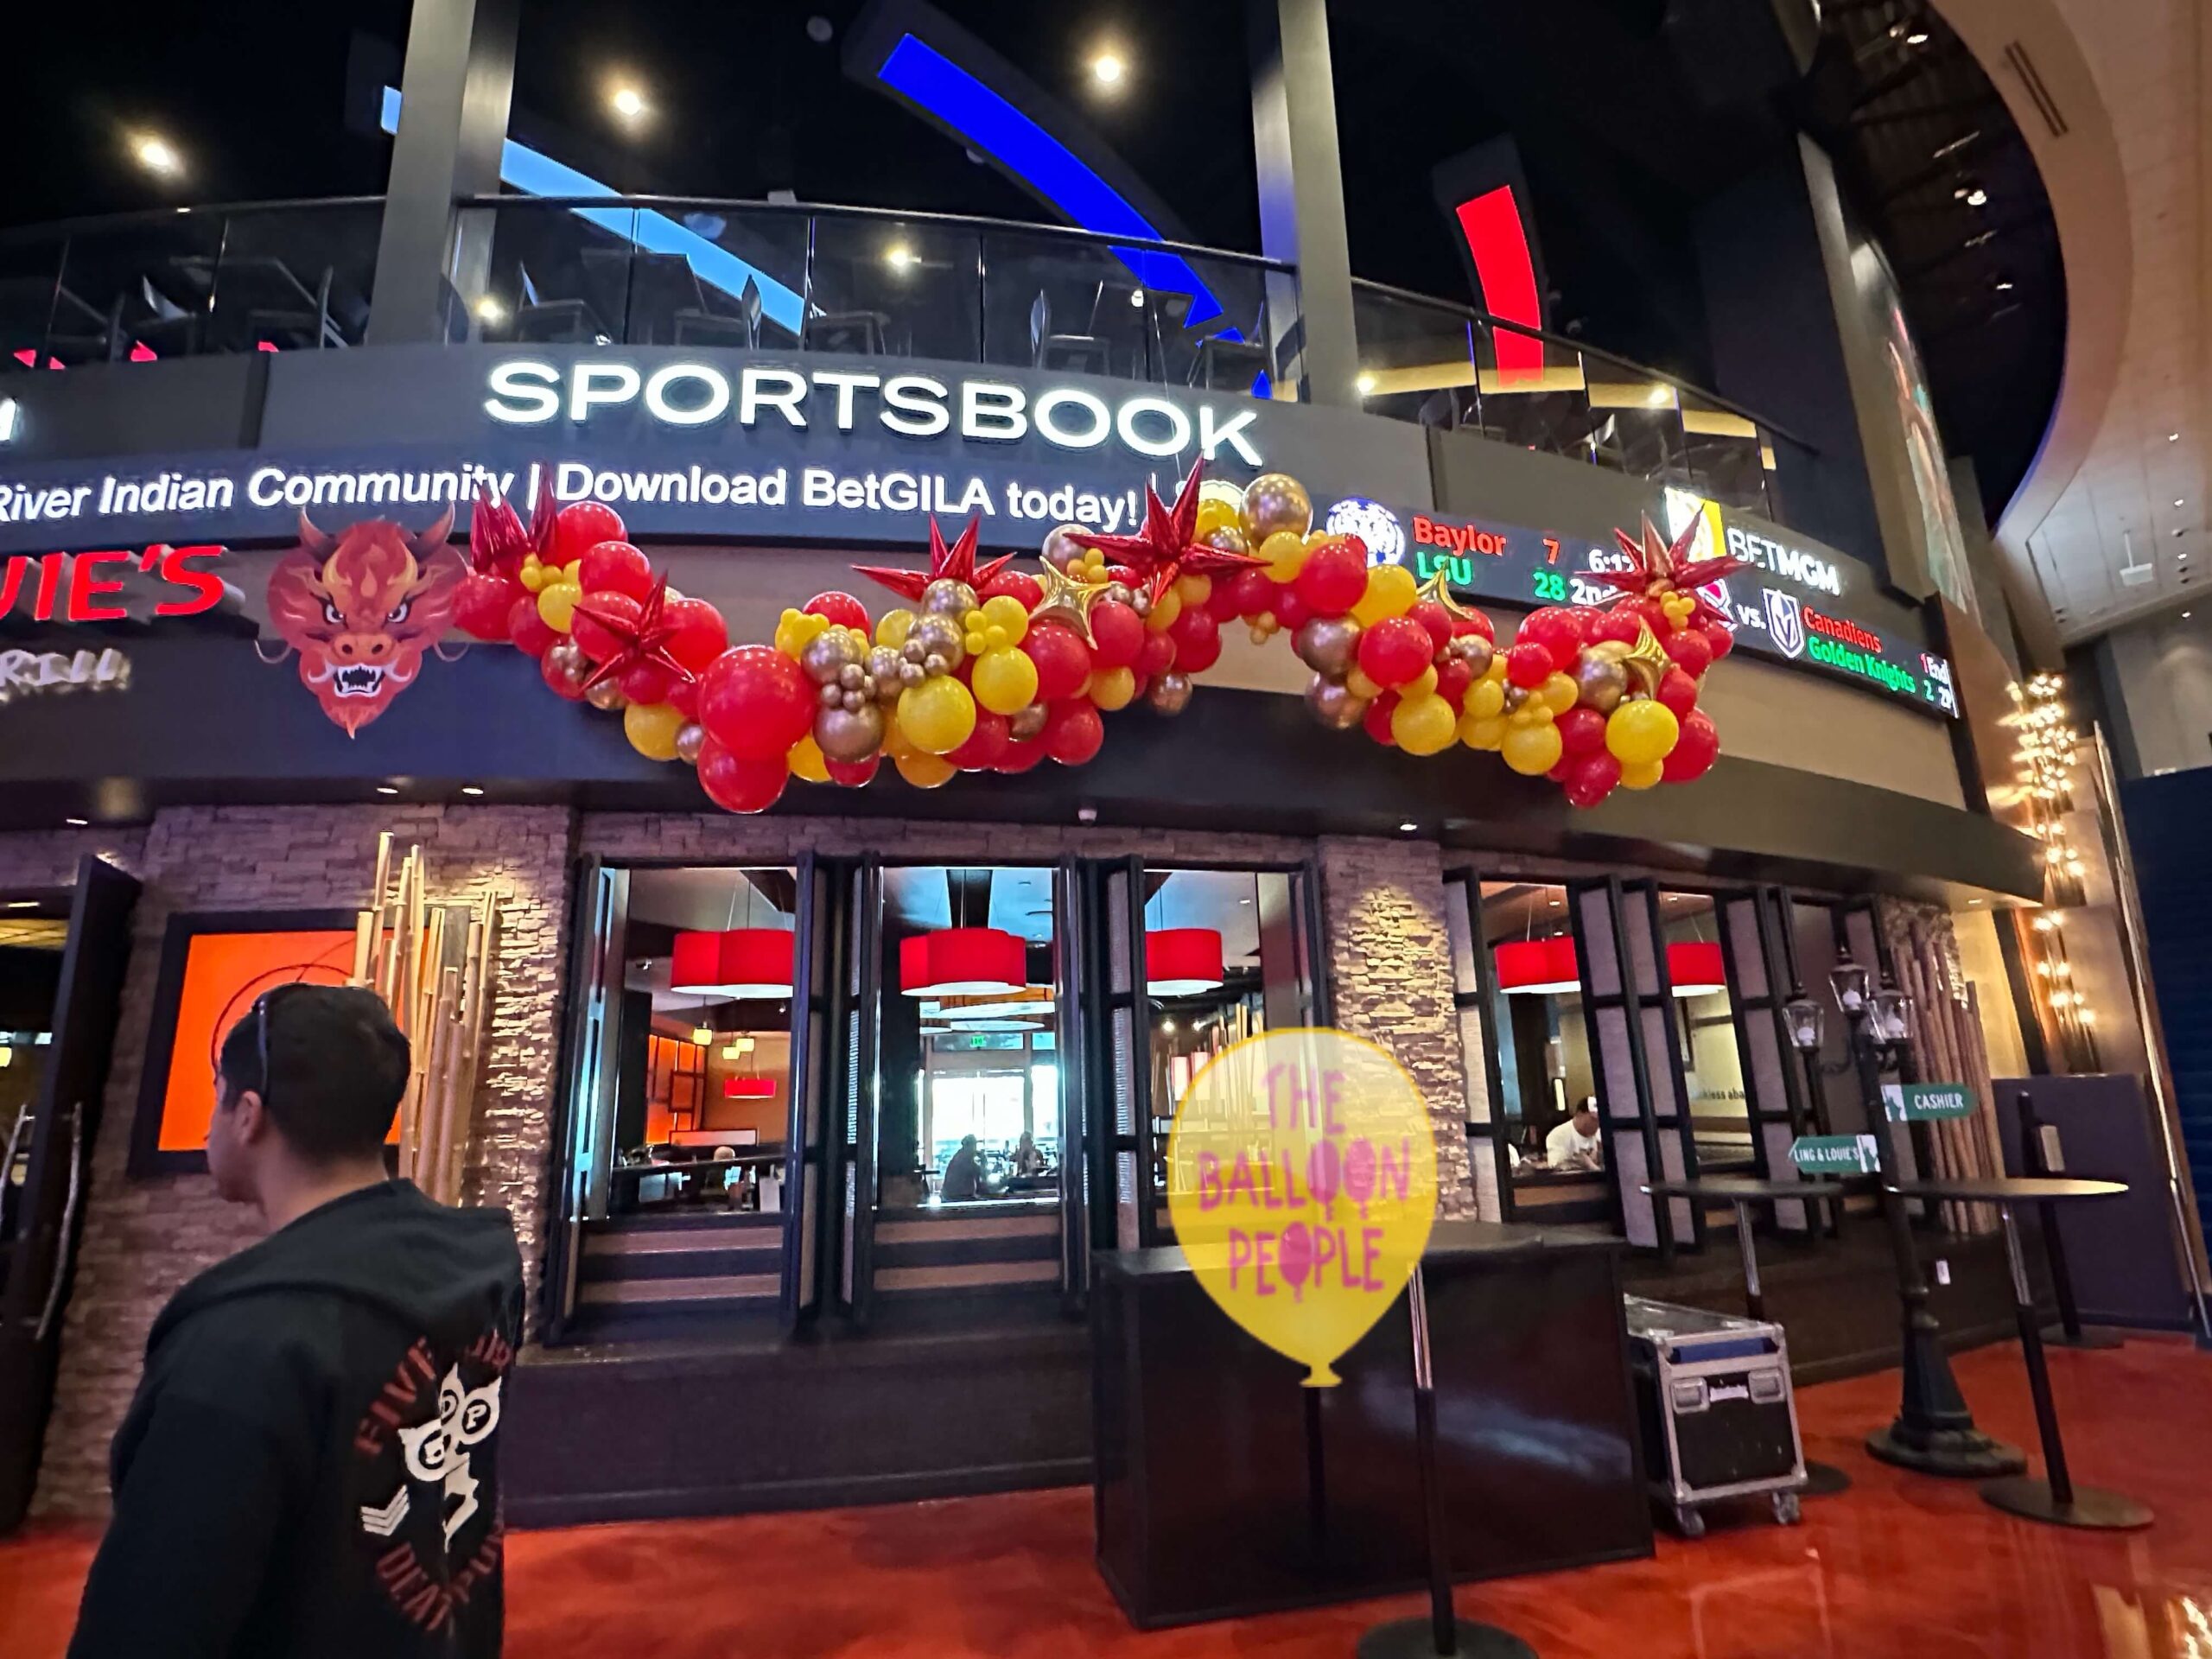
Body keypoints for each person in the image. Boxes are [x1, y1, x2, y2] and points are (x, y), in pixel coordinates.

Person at [69, 983, 524, 1659]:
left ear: (248, 1115)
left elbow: (148, 1622)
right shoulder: (480, 1265)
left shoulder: (239, 1345)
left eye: (218, 1092)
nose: (210, 1122)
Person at [1544, 1099, 1605, 1173]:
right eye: (1593, 1119)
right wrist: (1585, 1164)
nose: (1596, 1124)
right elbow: (1555, 1168)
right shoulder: (1558, 1135)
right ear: (1579, 1114)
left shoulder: (1600, 1133)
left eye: (1599, 1120)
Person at [939, 1133, 985, 1202]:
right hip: (955, 1199)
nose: (975, 1149)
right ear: (967, 1146)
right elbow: (981, 1174)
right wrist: (983, 1161)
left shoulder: (961, 1156)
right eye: (974, 1145)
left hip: (955, 1197)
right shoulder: (962, 1159)